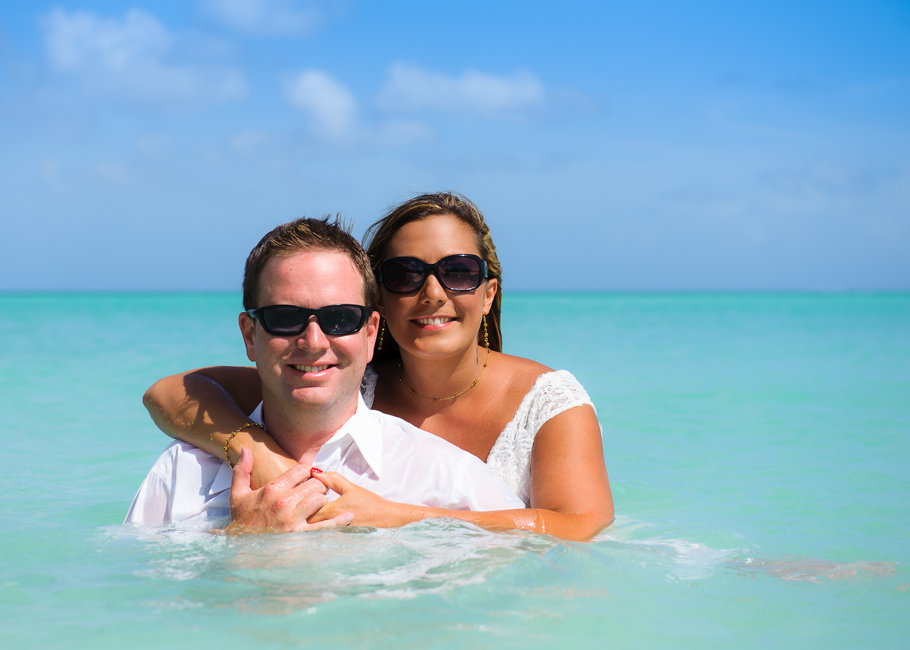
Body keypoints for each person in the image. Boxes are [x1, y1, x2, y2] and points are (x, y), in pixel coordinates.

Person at [144, 193, 614, 540]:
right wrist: (262, 456)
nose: (432, 292)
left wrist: (401, 516)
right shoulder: (339, 379)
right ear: (379, 305)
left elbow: (578, 530)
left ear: (488, 292)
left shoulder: (546, 401)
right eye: (405, 274)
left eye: (458, 272)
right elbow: (173, 392)